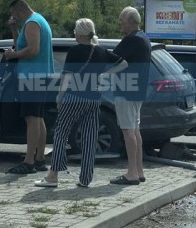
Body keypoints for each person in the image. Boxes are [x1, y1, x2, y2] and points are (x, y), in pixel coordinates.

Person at [34, 18, 127, 188]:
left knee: (60, 133)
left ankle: (53, 176)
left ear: (81, 34)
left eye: (75, 31)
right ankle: (85, 178)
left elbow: (67, 77)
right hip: (94, 99)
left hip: (74, 97)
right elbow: (124, 64)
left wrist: (59, 97)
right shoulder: (101, 51)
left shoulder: (75, 51)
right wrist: (105, 75)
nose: (74, 34)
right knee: (89, 137)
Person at [3, 0, 54, 174]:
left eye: (14, 14)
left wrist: (12, 55)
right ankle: (39, 160)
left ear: (19, 10)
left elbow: (33, 50)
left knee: (32, 119)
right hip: (40, 75)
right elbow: (21, 45)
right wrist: (14, 30)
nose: (13, 17)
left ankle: (29, 162)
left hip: (32, 77)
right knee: (38, 118)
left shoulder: (32, 23)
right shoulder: (38, 20)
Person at [109, 6, 151, 185]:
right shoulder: (144, 38)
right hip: (137, 91)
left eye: (122, 20)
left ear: (131, 22)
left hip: (126, 91)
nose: (119, 23)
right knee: (134, 130)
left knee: (128, 131)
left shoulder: (131, 40)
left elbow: (111, 58)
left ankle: (132, 173)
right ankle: (139, 171)